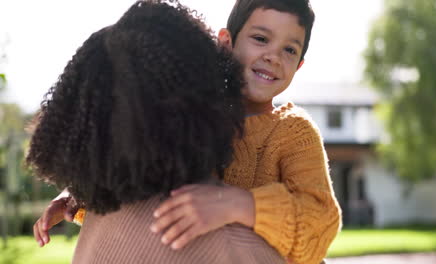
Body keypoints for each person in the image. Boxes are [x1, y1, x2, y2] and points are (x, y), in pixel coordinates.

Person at [34, 0, 342, 263]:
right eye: (261, 39)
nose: (274, 57)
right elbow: (154, 196)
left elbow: (321, 220)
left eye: (289, 49)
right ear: (226, 43)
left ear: (299, 65)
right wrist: (81, 196)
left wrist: (238, 205)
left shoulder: (293, 131)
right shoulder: (193, 118)